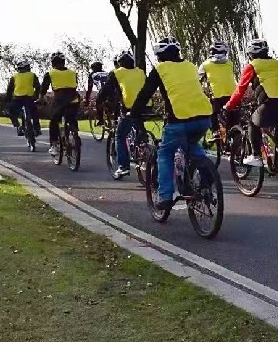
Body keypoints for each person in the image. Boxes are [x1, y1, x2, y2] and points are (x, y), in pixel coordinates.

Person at [129, 36, 212, 212]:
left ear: (159, 55)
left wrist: (134, 113)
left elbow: (145, 94)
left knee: (165, 153)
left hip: (179, 120)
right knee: (192, 143)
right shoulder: (190, 66)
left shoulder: (160, 69)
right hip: (204, 117)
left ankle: (165, 196)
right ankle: (207, 173)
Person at [224, 38, 278, 168]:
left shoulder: (252, 66)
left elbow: (240, 90)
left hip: (271, 105)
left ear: (251, 54)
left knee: (252, 123)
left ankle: (256, 156)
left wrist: (229, 105)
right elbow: (274, 83)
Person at [97, 50, 147, 180]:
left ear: (119, 63)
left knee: (120, 135)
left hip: (130, 108)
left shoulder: (116, 73)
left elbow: (106, 91)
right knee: (138, 127)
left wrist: (100, 101)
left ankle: (123, 167)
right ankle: (144, 142)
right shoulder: (140, 71)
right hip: (147, 107)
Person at [39, 51, 81, 155]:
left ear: (52, 63)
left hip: (59, 100)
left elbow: (43, 88)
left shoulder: (50, 73)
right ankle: (75, 136)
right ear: (64, 62)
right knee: (72, 119)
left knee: (54, 121)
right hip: (74, 99)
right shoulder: (73, 72)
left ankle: (54, 145)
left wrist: (41, 99)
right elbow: (75, 85)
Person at [198, 40, 239, 137]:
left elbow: (197, 80)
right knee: (234, 120)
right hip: (233, 96)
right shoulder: (230, 63)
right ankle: (236, 135)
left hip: (216, 96)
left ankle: (215, 131)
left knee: (211, 112)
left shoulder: (205, 65)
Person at [5, 60, 41, 137]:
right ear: (28, 68)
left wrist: (7, 100)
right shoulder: (32, 75)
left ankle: (17, 126)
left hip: (18, 99)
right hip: (29, 98)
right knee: (35, 113)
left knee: (10, 110)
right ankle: (37, 129)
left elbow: (9, 89)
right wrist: (36, 96)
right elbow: (38, 87)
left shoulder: (14, 76)